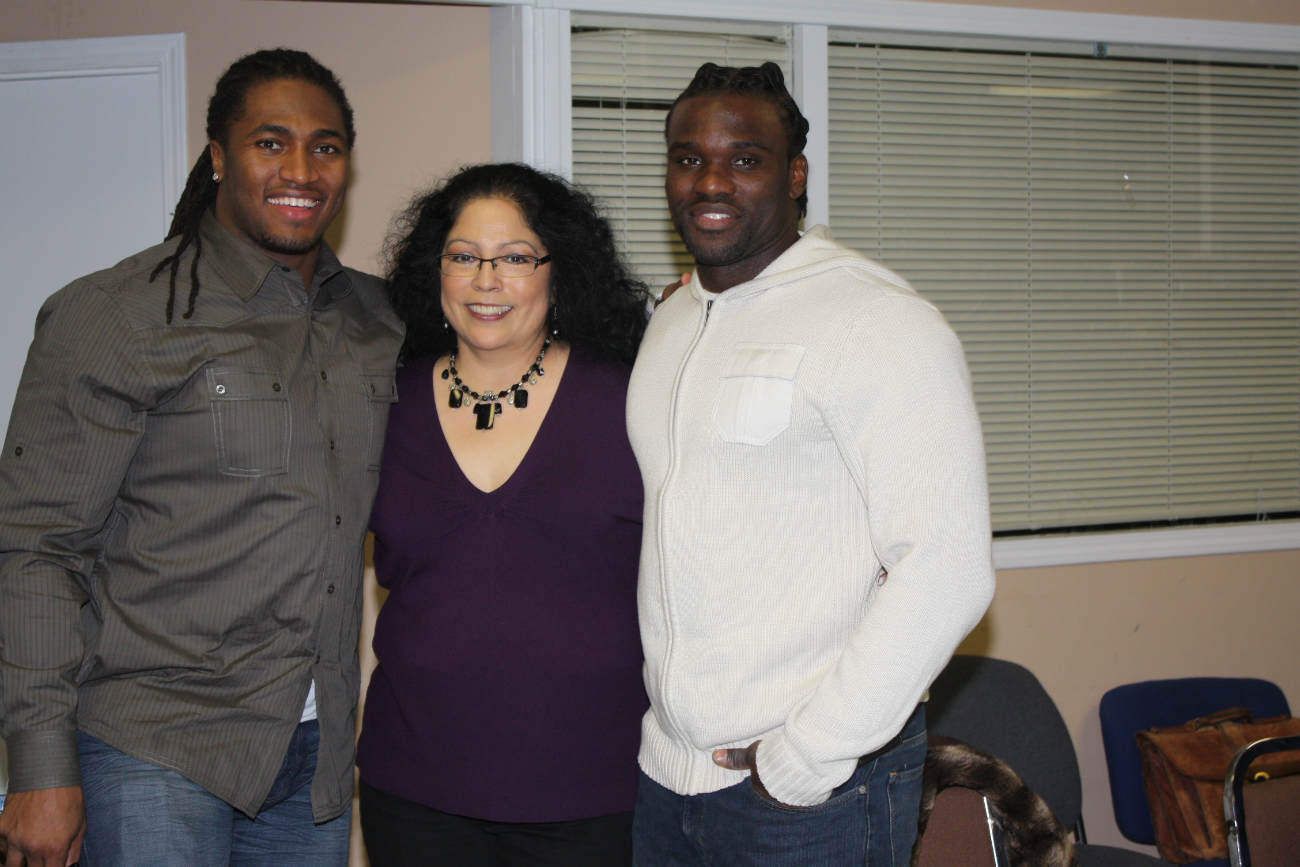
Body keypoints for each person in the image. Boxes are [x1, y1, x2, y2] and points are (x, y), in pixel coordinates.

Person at [0, 48, 403, 866]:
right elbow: (37, 546)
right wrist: (39, 764)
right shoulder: (118, 313)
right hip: (155, 746)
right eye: (270, 142)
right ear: (219, 155)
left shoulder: (378, 321)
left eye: (325, 147)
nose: (301, 170)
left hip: (315, 753)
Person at [626, 61, 997, 865]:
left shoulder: (879, 320)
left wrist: (809, 755)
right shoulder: (673, 320)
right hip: (667, 782)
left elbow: (948, 565)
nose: (710, 181)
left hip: (810, 797)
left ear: (794, 175)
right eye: (688, 158)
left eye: (745, 159)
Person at [357, 163, 649, 865]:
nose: (486, 280)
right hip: (416, 787)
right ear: (436, 272)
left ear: (558, 271)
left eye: (515, 258)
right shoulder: (379, 404)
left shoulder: (632, 400)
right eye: (463, 257)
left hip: (592, 787)